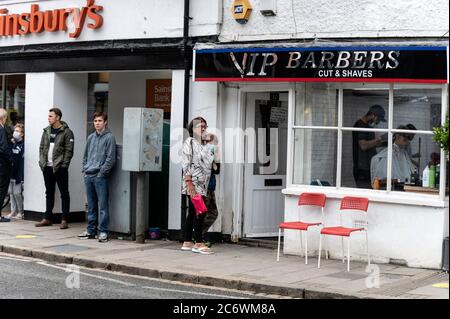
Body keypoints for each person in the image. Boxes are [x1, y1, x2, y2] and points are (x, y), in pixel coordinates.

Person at [78, 112, 116, 243]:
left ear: (105, 122)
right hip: (89, 175)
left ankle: (103, 231)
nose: (97, 123)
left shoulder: (110, 137)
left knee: (103, 206)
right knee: (91, 206)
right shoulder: (90, 138)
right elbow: (85, 156)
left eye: (100, 121)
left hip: (100, 176)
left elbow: (110, 158)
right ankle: (90, 230)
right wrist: (85, 169)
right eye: (95, 121)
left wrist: (102, 173)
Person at [36, 108, 74, 229]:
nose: (49, 118)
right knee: (49, 192)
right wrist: (42, 162)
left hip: (59, 167)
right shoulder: (46, 130)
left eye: (51, 116)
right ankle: (47, 218)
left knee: (64, 193)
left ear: (58, 117)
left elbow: (69, 151)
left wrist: (64, 166)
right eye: (48, 116)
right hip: (47, 167)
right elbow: (42, 147)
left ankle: (64, 220)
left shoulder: (67, 132)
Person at [181, 117, 214, 255]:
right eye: (201, 126)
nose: (204, 128)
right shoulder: (190, 142)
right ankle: (198, 243)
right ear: (193, 129)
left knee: (194, 212)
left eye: (205, 126)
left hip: (202, 184)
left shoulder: (202, 144)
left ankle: (187, 241)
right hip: (194, 183)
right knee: (200, 211)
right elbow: (186, 163)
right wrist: (189, 184)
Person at [352, 104, 387, 188]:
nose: (378, 122)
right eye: (378, 119)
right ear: (372, 115)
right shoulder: (360, 125)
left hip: (369, 166)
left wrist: (385, 143)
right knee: (365, 192)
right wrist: (379, 138)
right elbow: (363, 146)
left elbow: (371, 144)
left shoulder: (368, 127)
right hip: (362, 168)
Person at [202, 134, 220, 244]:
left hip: (211, 186)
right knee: (203, 213)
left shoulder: (214, 154)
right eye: (210, 143)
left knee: (213, 213)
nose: (213, 145)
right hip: (204, 187)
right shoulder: (201, 154)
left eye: (214, 143)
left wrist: (215, 158)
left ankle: (199, 234)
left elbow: (217, 171)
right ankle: (198, 236)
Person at [6, 123, 25, 220]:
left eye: (17, 131)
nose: (15, 133)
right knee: (11, 192)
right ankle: (13, 211)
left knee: (17, 193)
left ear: (22, 134)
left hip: (18, 174)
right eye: (15, 131)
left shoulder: (23, 145)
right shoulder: (12, 144)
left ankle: (20, 212)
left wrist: (21, 175)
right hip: (11, 173)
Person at [0, 108, 13, 222]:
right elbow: (4, 148)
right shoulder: (1, 129)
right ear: (3, 118)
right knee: (2, 189)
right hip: (2, 165)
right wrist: (10, 160)